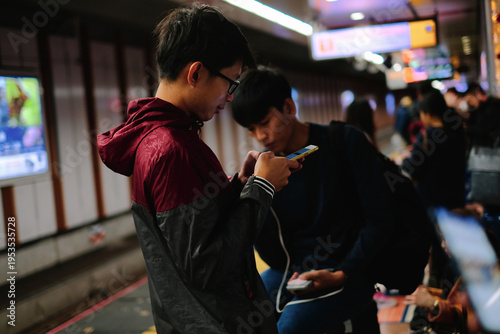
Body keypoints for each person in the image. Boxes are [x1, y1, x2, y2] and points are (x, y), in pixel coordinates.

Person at [97, 6, 300, 333]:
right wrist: (263, 189)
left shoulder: (161, 140)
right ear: (196, 73)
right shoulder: (171, 150)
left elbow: (196, 231)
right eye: (230, 83)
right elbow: (205, 265)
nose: (229, 97)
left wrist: (239, 186)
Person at [231, 67, 394, 334]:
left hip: (350, 267)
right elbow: (275, 257)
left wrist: (343, 272)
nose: (261, 136)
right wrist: (252, 196)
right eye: (252, 129)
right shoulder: (268, 169)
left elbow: (379, 220)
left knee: (290, 328)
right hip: (295, 273)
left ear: (288, 107)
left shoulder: (344, 142)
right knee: (245, 318)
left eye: (265, 122)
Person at [401, 90, 468, 289]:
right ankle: (455, 291)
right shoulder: (458, 134)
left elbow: (412, 168)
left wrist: (406, 159)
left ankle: (438, 291)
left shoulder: (427, 137)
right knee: (451, 247)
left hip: (431, 201)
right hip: (456, 199)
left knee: (436, 247)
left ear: (428, 113)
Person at [464, 82, 500, 148]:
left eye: (471, 100)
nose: (471, 103)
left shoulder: (490, 107)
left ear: (479, 94)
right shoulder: (481, 109)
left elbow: (485, 128)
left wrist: (468, 127)